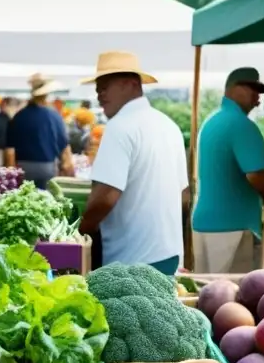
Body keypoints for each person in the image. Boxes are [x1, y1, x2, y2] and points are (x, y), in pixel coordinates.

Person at [77, 52, 188, 275]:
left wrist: (81, 231)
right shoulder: (168, 125)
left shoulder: (120, 127)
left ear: (132, 84)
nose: (100, 95)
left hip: (131, 262)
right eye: (98, 88)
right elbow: (184, 196)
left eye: (105, 86)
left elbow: (105, 196)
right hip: (169, 256)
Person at [191, 67, 264, 273]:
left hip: (204, 222)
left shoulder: (211, 121)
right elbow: (256, 175)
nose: (258, 99)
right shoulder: (242, 125)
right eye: (253, 90)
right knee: (231, 299)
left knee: (206, 296)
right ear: (234, 89)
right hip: (233, 226)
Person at [5, 75, 73, 188]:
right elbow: (64, 145)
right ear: (46, 95)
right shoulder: (54, 116)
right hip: (47, 167)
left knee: (23, 199)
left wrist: (10, 173)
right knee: (45, 200)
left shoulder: (19, 116)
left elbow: (10, 150)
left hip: (23, 167)